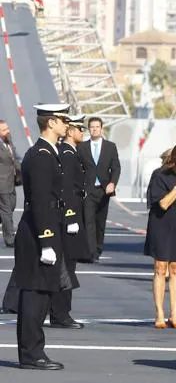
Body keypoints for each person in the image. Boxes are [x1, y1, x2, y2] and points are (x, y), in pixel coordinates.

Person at [14, 104, 74, 370]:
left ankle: (34, 351)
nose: (67, 125)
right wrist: (47, 241)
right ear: (51, 122)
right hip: (40, 233)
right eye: (63, 120)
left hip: (48, 228)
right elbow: (39, 201)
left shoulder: (50, 153)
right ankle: (31, 354)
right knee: (35, 295)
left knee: (43, 294)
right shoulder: (41, 155)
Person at [144, 142, 176, 329]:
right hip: (161, 223)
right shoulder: (160, 175)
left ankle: (174, 314)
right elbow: (163, 204)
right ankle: (160, 314)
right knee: (160, 267)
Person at [47, 114, 90, 330]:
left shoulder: (72, 153)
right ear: (71, 131)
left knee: (68, 265)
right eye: (79, 129)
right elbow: (66, 189)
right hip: (67, 218)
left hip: (71, 216)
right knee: (65, 266)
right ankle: (60, 314)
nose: (82, 133)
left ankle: (61, 312)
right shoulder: (67, 154)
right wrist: (71, 216)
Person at [77, 117, 121, 263]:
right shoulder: (82, 147)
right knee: (88, 221)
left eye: (97, 127)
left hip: (104, 190)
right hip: (88, 190)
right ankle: (91, 252)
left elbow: (116, 167)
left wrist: (112, 183)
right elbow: (78, 168)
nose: (95, 129)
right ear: (89, 129)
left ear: (101, 129)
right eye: (92, 127)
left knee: (100, 222)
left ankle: (98, 248)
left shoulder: (110, 146)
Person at [0, 120, 20, 248]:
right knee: (6, 210)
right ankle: (10, 238)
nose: (7, 131)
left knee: (11, 206)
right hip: (1, 182)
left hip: (12, 181)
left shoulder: (8, 139)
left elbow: (14, 157)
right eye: (4, 130)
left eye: (7, 128)